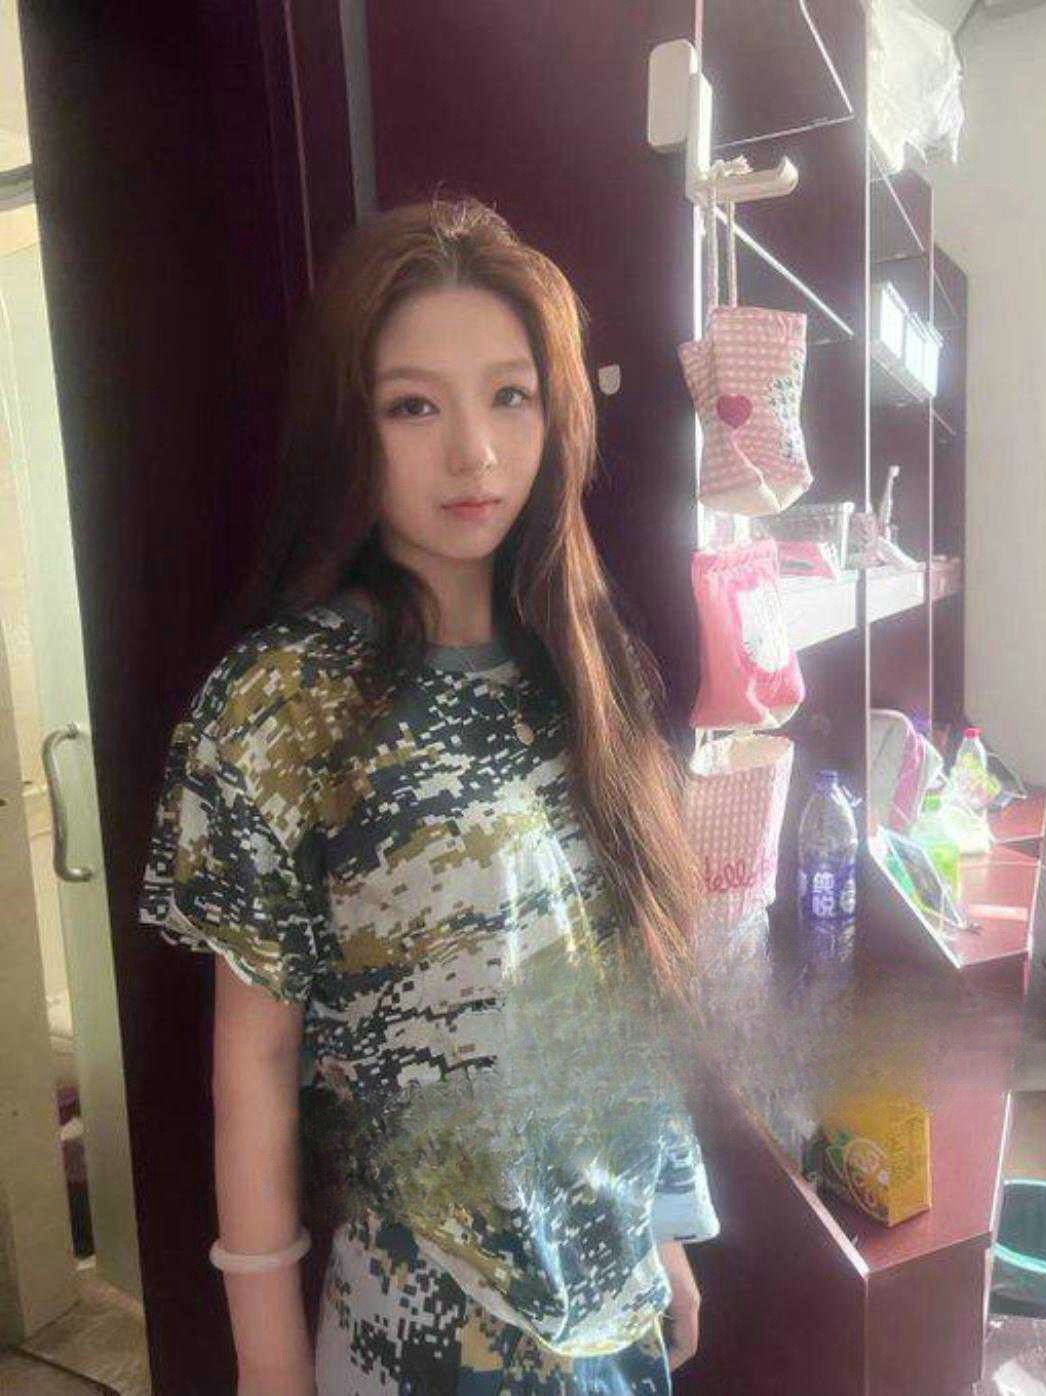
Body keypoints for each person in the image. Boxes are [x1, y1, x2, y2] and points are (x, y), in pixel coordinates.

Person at [138, 193, 720, 1395]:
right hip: (428, 1331)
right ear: (351, 428)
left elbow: (614, 979)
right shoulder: (285, 700)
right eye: (415, 405)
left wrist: (664, 1221)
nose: (476, 454)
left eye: (510, 396)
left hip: (611, 1304)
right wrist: (267, 1361)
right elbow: (254, 1060)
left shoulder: (583, 663)